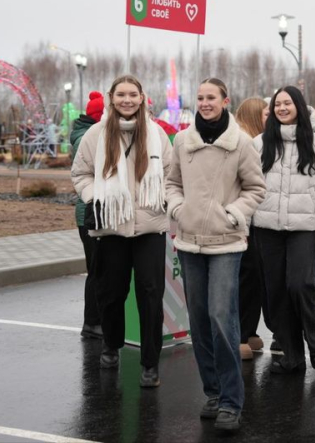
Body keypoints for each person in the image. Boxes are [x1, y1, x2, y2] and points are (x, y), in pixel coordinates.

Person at [166, 78, 266, 431]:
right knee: (199, 321)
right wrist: (179, 208)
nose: (205, 103)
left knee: (223, 319)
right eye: (200, 98)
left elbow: (256, 188)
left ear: (226, 101)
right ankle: (212, 391)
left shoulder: (239, 143)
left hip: (226, 243)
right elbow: (172, 183)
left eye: (212, 98)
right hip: (190, 241)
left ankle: (231, 401)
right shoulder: (182, 140)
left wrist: (233, 215)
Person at [71, 74, 172, 388]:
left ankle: (150, 363)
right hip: (111, 227)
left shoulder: (156, 134)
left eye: (133, 94)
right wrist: (95, 197)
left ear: (142, 98)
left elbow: (170, 174)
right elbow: (81, 173)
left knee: (151, 294)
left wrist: (163, 197)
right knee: (111, 293)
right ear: (111, 97)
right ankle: (111, 345)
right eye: (121, 95)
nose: (127, 100)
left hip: (150, 226)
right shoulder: (95, 135)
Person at [252, 85, 315, 374]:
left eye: (288, 103)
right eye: (278, 104)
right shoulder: (259, 144)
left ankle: (314, 340)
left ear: (299, 106)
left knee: (299, 284)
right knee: (275, 293)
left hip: (304, 229)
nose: (282, 108)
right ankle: (292, 354)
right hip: (266, 228)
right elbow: (248, 187)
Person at [234, 97, 272, 359]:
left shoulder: (256, 141)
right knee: (246, 280)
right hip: (244, 222)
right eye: (265, 114)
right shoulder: (245, 143)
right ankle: (240, 333)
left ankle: (249, 331)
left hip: (257, 221)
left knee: (254, 279)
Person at [70, 91, 106, 340]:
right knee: (97, 270)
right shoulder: (88, 136)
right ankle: (92, 323)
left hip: (90, 212)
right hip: (90, 212)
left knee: (98, 269)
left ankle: (95, 321)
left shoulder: (85, 132)